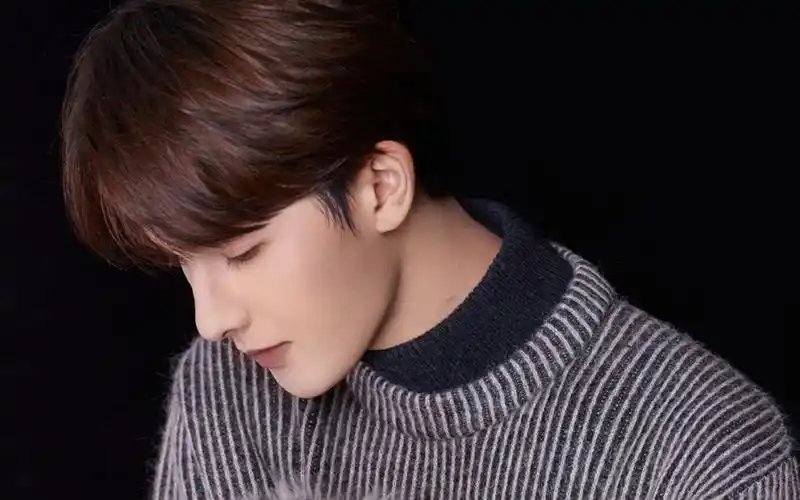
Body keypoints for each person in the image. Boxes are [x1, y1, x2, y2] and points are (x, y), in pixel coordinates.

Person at [61, 0, 798, 498]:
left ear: (381, 186)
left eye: (243, 252)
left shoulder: (699, 445)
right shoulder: (228, 391)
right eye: (181, 263)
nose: (212, 319)